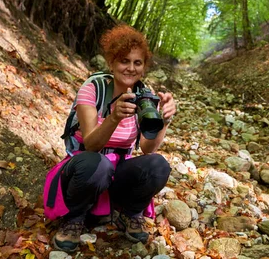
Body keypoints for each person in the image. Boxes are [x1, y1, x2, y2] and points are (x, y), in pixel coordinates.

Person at [43, 25, 176, 252]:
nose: (131, 68)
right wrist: (114, 117)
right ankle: (75, 218)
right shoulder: (93, 89)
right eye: (124, 61)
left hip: (116, 174)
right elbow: (92, 144)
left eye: (137, 63)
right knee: (97, 163)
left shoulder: (145, 96)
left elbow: (147, 149)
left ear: (144, 67)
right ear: (112, 63)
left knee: (158, 165)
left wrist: (164, 120)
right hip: (85, 167)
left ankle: (130, 212)